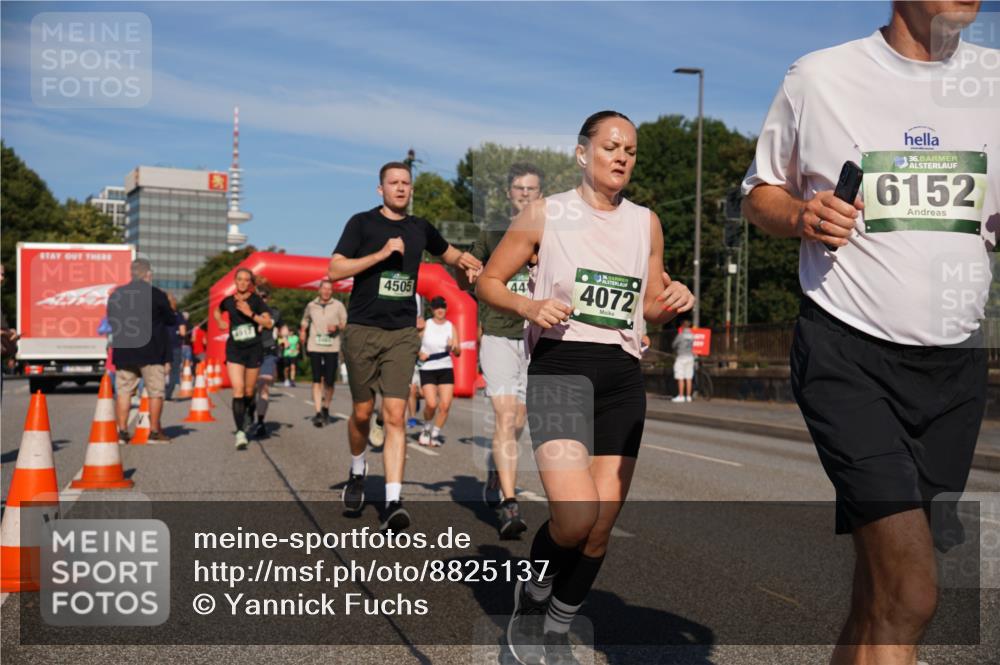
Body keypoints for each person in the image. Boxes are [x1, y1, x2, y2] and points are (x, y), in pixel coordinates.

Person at [741, 3, 998, 663]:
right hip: (847, 352)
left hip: (955, 369)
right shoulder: (821, 76)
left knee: (880, 591)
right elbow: (760, 192)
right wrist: (801, 213)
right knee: (911, 591)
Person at [477, 110, 693, 664]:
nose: (622, 157)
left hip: (621, 376)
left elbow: (647, 309)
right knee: (574, 517)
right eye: (610, 146)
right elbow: (489, 282)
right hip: (561, 368)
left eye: (631, 151)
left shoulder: (646, 223)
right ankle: (534, 594)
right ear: (583, 153)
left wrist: (670, 306)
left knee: (599, 529)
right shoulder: (546, 213)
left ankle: (555, 628)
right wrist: (530, 305)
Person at [328, 160, 482, 531]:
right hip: (363, 329)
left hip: (401, 335)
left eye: (406, 183)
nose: (400, 188)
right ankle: (357, 469)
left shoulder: (419, 229)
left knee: (395, 415)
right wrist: (380, 255)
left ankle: (394, 500)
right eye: (393, 183)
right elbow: (334, 270)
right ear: (380, 189)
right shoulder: (362, 224)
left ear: (410, 189)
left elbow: (449, 256)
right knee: (363, 413)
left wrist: (467, 262)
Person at [467, 162, 544, 538]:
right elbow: (471, 267)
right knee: (504, 415)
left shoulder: (552, 231)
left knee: (518, 421)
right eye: (519, 189)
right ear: (509, 193)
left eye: (531, 189)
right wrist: (471, 274)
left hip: (535, 335)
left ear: (540, 194)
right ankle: (509, 505)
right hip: (498, 332)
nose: (525, 194)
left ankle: (498, 468)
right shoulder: (493, 230)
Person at [107, 258, 176, 444]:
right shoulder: (157, 294)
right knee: (155, 392)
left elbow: (112, 321)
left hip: (125, 351)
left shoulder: (118, 294)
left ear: (131, 274)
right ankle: (154, 432)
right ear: (148, 274)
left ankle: (121, 432)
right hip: (152, 352)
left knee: (124, 392)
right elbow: (171, 320)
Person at [214, 268, 272, 450]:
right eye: (239, 279)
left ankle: (249, 414)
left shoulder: (257, 301)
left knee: (249, 391)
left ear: (250, 283)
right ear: (235, 281)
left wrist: (250, 314)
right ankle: (240, 432)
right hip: (235, 350)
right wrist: (219, 321)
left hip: (253, 350)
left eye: (247, 280)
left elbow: (268, 323)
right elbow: (217, 310)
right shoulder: (229, 301)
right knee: (238, 390)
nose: (243, 283)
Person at [300, 279, 348, 427]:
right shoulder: (311, 305)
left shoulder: (338, 305)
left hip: (331, 347)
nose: (326, 292)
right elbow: (305, 319)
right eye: (324, 289)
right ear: (319, 290)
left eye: (329, 289)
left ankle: (326, 406)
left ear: (332, 291)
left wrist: (337, 327)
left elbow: (346, 323)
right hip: (315, 345)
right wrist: (303, 330)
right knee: (316, 379)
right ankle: (318, 412)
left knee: (329, 381)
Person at [417, 296, 460, 446]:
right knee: (431, 403)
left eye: (442, 307)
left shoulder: (450, 326)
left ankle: (435, 434)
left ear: (446, 308)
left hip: (445, 367)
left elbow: (458, 352)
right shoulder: (426, 325)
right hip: (428, 368)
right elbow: (413, 344)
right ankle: (426, 428)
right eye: (436, 307)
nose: (440, 310)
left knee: (446, 405)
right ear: (432, 310)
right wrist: (419, 353)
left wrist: (454, 347)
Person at [252, 285, 282, 439]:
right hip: (249, 353)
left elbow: (268, 322)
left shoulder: (274, 311)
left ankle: (260, 422)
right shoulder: (246, 311)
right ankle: (249, 410)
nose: (261, 299)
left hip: (267, 352)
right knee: (248, 389)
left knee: (264, 385)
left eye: (264, 297)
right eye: (258, 296)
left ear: (267, 298)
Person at [164, 293, 187, 400]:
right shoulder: (179, 315)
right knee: (174, 371)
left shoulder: (159, 314)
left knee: (160, 370)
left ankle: (157, 392)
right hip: (175, 346)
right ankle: (168, 394)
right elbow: (183, 332)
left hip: (162, 345)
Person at [671, 319, 695, 403]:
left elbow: (674, 344)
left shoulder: (681, 335)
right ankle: (688, 396)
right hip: (690, 357)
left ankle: (681, 396)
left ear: (683, 326)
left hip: (681, 357)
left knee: (680, 377)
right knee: (689, 378)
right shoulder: (692, 335)